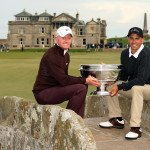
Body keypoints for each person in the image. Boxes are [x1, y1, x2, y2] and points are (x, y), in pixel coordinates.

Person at [32, 26, 100, 118]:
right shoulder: (51, 55)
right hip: (43, 93)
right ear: (56, 39)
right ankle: (68, 119)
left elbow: (64, 78)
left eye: (69, 38)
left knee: (83, 86)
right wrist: (85, 80)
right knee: (80, 88)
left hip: (54, 88)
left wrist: (86, 79)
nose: (66, 40)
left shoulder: (66, 55)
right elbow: (63, 80)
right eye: (63, 38)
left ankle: (78, 119)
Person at [99, 27, 150, 140]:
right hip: (137, 86)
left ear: (142, 39)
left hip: (147, 87)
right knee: (111, 85)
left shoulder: (146, 54)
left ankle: (135, 128)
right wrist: (113, 80)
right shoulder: (124, 53)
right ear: (128, 39)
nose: (134, 41)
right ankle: (116, 119)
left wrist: (120, 86)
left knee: (136, 88)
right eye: (131, 38)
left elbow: (141, 80)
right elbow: (123, 76)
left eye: (137, 39)